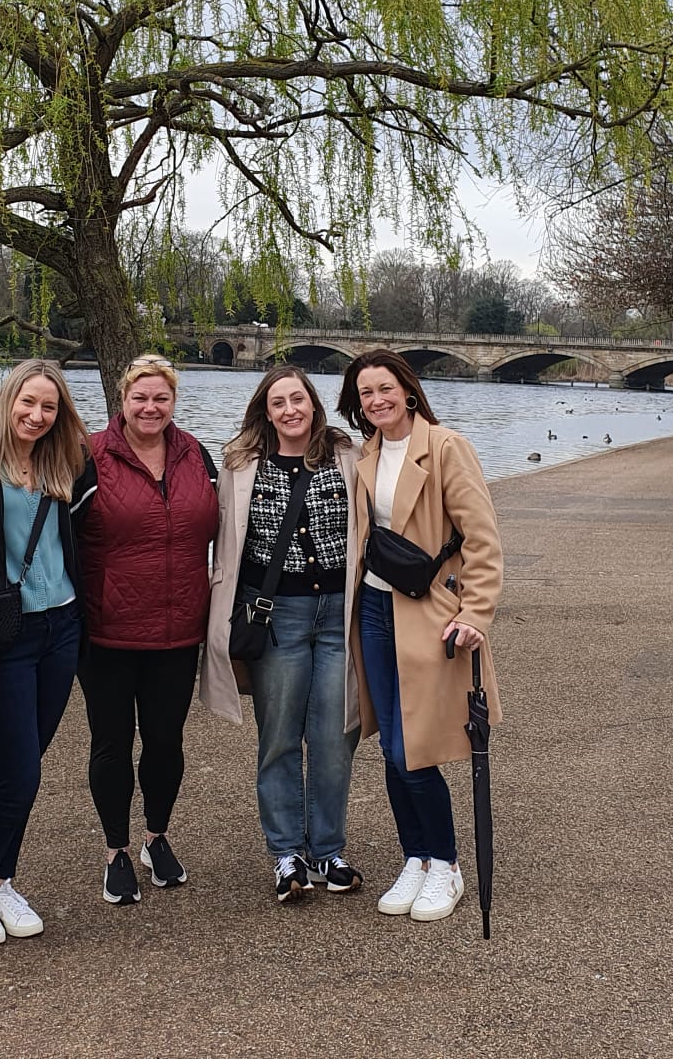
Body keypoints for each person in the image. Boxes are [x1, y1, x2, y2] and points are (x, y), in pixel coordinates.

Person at [338, 349, 503, 924]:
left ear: (407, 390)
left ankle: (446, 863)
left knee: (414, 746)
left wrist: (476, 613)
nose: (376, 400)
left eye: (385, 388)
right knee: (389, 743)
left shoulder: (447, 448)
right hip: (374, 608)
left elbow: (482, 539)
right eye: (366, 393)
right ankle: (417, 856)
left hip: (428, 611)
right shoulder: (366, 453)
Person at [206, 365, 368, 903]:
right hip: (275, 616)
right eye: (278, 403)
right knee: (278, 737)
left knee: (334, 737)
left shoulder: (348, 455)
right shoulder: (241, 464)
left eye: (297, 399)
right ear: (266, 411)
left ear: (313, 404)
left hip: (338, 614)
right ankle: (286, 853)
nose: (290, 410)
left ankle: (328, 850)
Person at [0, 359, 93, 948]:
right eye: (27, 403)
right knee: (20, 775)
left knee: (28, 766)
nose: (36, 416)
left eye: (49, 407)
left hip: (61, 625)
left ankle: (0, 880)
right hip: (5, 631)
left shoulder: (64, 461)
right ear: (8, 398)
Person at [76, 355, 221, 905]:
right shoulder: (89, 456)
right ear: (123, 400)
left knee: (165, 741)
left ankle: (156, 837)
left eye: (161, 398)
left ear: (173, 402)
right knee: (111, 743)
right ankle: (115, 849)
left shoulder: (196, 455)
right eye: (140, 397)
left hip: (178, 630)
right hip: (107, 631)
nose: (150, 407)